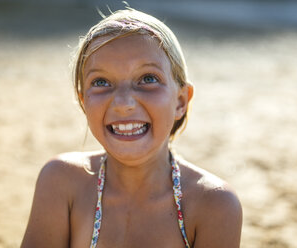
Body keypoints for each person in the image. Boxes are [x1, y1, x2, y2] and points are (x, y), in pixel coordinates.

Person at [21, 8, 242, 248]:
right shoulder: (60, 182)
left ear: (180, 102)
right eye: (101, 82)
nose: (124, 103)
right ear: (84, 102)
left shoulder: (213, 204)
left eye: (148, 79)